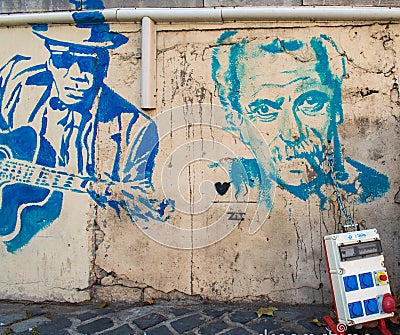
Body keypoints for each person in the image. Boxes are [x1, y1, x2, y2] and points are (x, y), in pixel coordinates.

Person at [0, 8, 170, 252]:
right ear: (49, 60)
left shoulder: (134, 128)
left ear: (104, 66)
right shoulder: (19, 85)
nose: (76, 75)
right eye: (63, 60)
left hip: (87, 244)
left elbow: (136, 212)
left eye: (87, 62)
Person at [212, 32, 389, 212]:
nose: (293, 133)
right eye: (264, 110)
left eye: (310, 102)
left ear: (337, 108)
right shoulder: (227, 189)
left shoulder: (372, 189)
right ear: (236, 121)